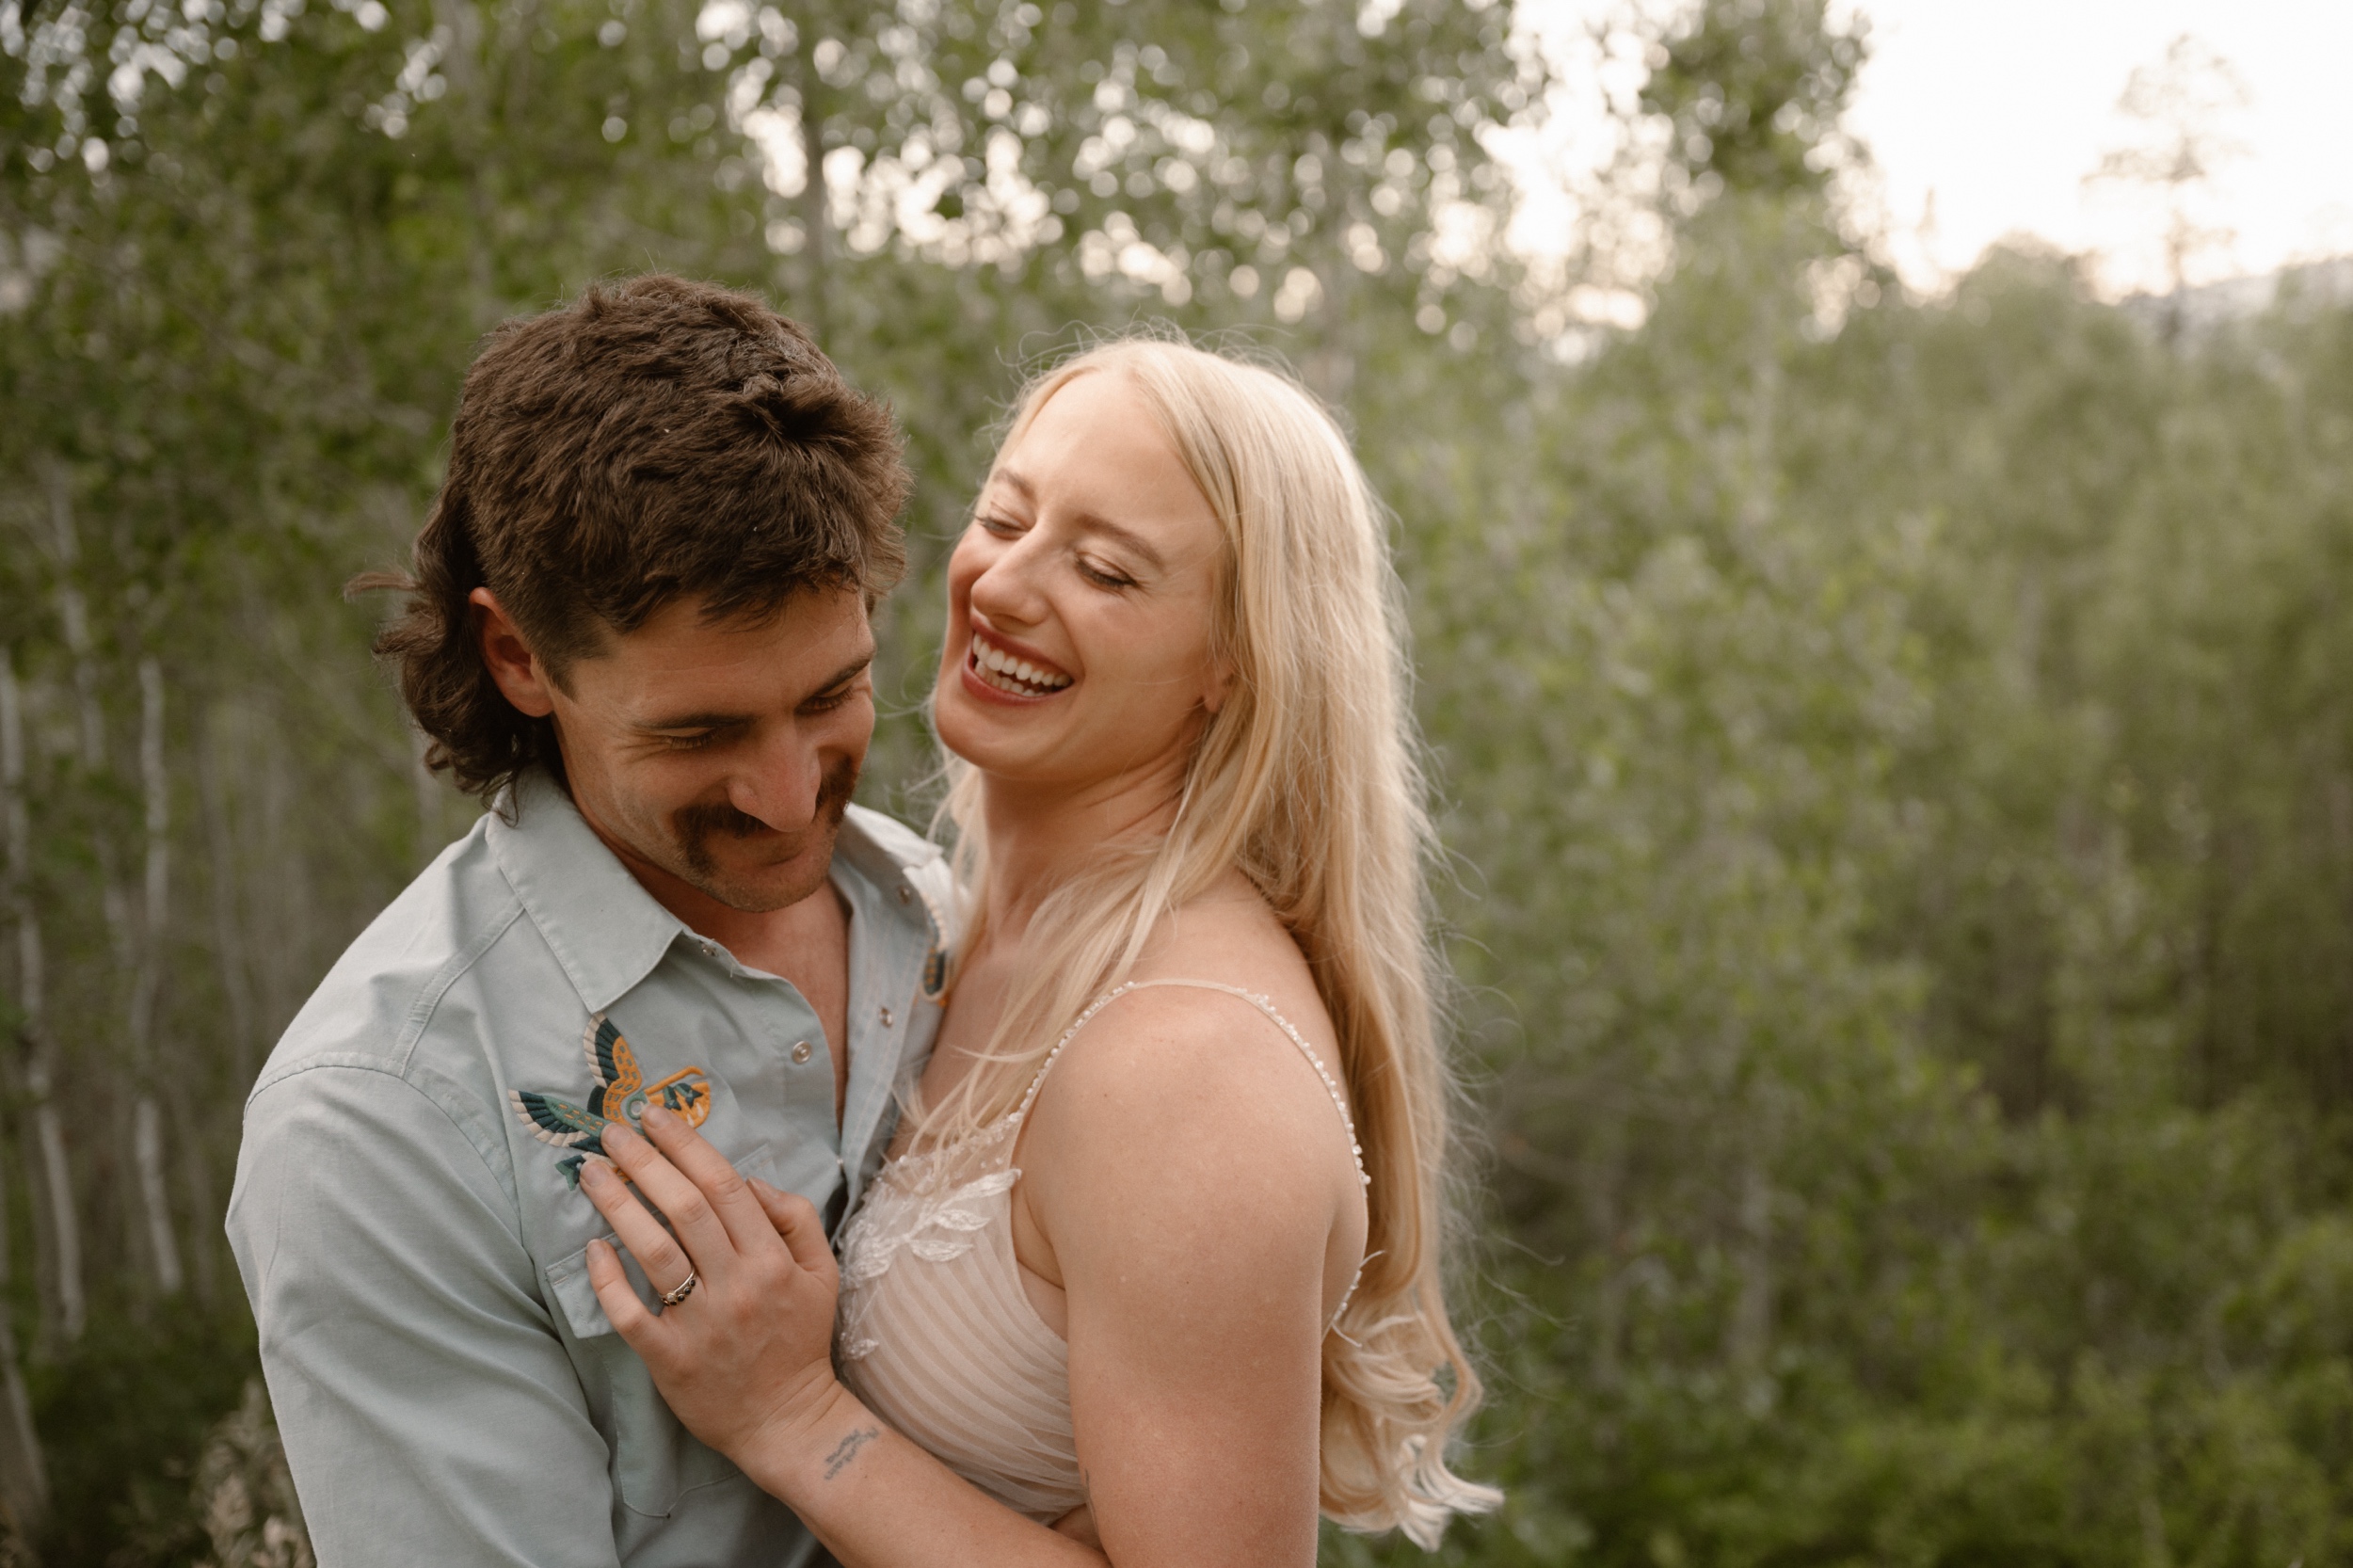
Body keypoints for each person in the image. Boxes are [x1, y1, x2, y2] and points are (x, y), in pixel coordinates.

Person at [569, 338, 1503, 1564]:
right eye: (1006, 516)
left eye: (1107, 570)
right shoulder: (952, 921)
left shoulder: (1186, 1066)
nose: (1004, 585)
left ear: (1239, 660)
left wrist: (792, 1417)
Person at [225, 274, 951, 1568]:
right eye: (700, 732)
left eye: (833, 694)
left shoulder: (941, 916)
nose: (791, 798)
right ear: (516, 658)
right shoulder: (377, 1126)